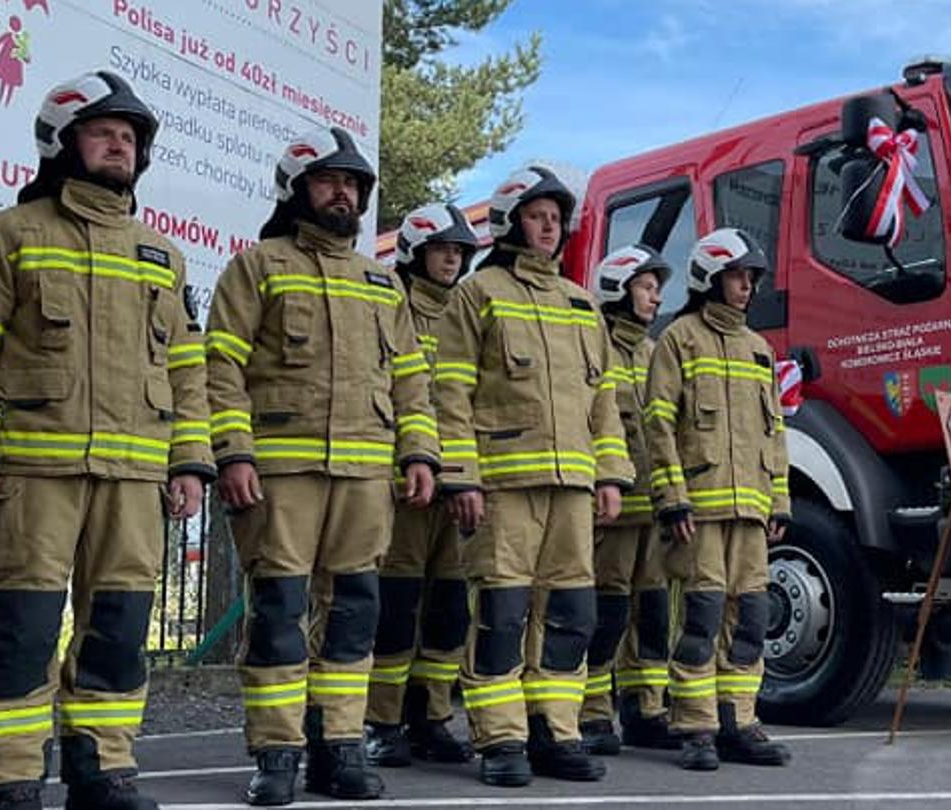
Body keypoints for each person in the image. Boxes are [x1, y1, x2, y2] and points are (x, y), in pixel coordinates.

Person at [0, 70, 207, 810]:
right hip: (33, 472)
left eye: (129, 138)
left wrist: (190, 463)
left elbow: (187, 370)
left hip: (134, 479)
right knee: (22, 628)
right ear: (62, 142)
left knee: (119, 632)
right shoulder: (10, 234)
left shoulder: (162, 253)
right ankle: (13, 779)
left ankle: (104, 769)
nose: (119, 146)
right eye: (103, 133)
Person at [206, 126, 440, 806]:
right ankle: (277, 753)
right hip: (279, 472)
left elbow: (410, 381)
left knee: (353, 615)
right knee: (279, 610)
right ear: (295, 188)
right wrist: (233, 452)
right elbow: (221, 367)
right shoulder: (257, 266)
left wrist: (420, 452)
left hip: (366, 476)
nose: (343, 192)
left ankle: (339, 748)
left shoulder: (380, 281)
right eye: (328, 180)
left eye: (353, 184)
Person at [429, 163, 632, 787]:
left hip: (573, 487)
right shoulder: (478, 292)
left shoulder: (580, 302)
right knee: (503, 613)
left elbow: (603, 398)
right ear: (511, 221)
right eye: (537, 218)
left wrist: (609, 475)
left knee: (570, 614)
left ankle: (556, 732)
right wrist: (460, 476)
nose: (549, 229)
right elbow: (450, 390)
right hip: (502, 487)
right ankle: (501, 741)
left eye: (555, 220)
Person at [643, 227, 793, 771]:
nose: (746, 287)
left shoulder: (759, 350)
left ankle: (740, 721)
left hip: (751, 511)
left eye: (751, 278)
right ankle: (697, 727)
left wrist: (779, 502)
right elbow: (657, 424)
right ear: (709, 277)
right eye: (736, 276)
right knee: (702, 617)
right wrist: (672, 497)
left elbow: (774, 433)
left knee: (751, 617)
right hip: (699, 509)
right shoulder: (679, 338)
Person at [363, 203, 480, 768]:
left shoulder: (468, 311)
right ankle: (382, 722)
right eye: (442, 249)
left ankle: (433, 717)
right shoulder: (390, 303)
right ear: (414, 252)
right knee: (396, 608)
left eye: (460, 251)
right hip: (403, 488)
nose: (453, 258)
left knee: (449, 611)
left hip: (457, 488)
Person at [578, 245, 681, 755]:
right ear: (619, 288)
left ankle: (647, 710)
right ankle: (593, 712)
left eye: (656, 288)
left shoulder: (653, 352)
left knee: (654, 613)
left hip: (653, 509)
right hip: (612, 513)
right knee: (607, 612)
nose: (656, 296)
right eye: (646, 286)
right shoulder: (595, 345)